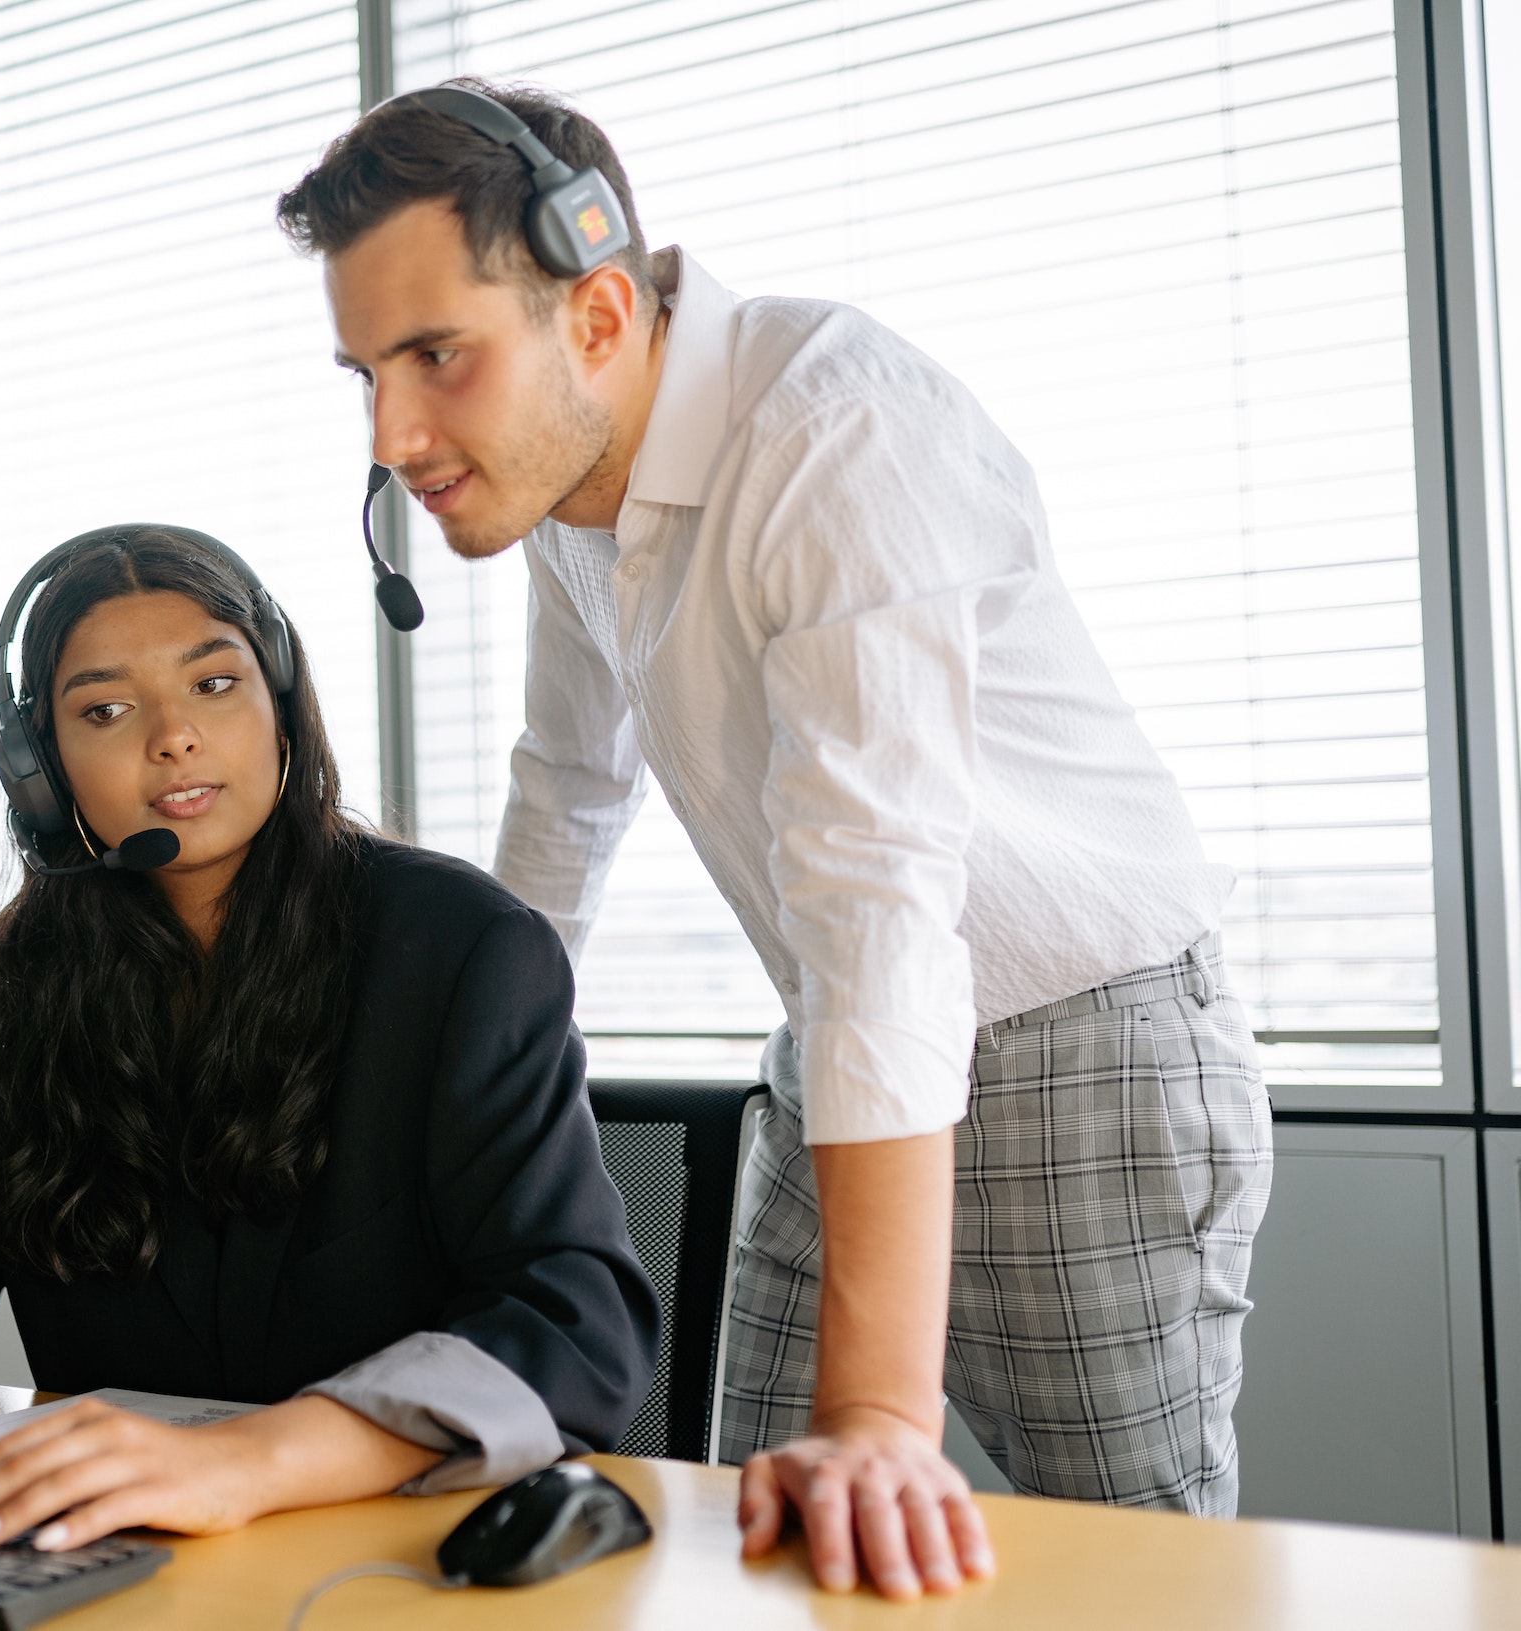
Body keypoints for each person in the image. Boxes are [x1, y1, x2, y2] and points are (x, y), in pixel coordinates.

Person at [276, 81, 1274, 1598]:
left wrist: (882, 1409)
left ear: (599, 315)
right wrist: (439, 1075)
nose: (394, 434)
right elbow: (567, 789)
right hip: (847, 1044)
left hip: (1081, 1046)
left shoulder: (833, 429)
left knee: (1130, 1578)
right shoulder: (573, 489)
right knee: (763, 1545)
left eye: (435, 356)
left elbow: (881, 902)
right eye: (365, 373)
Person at [0, 525, 658, 1554]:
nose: (173, 738)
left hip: (390, 1545)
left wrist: (250, 1460)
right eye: (104, 709)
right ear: (40, 771)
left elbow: (573, 1318)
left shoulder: (460, 948)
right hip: (112, 1554)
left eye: (215, 685)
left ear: (282, 701)